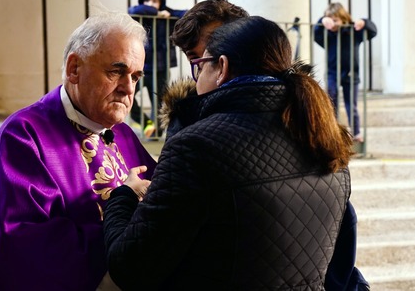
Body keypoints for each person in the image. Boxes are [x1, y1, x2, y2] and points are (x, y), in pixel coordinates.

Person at [103, 15, 356, 290]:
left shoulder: (195, 146)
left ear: (221, 67)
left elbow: (130, 267)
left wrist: (123, 195)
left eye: (199, 65)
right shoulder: (323, 135)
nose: (196, 77)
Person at [168, 0, 369, 290]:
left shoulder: (305, 113)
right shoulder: (189, 124)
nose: (204, 67)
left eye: (213, 49)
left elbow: (339, 230)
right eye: (194, 59)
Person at [0, 11, 157, 291]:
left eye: (136, 76)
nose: (129, 89)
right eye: (116, 71)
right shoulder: (24, 136)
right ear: (74, 69)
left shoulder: (125, 135)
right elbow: (26, 243)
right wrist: (129, 232)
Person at [127, 0, 187, 138]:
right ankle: (146, 123)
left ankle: (154, 134)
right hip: (142, 67)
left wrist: (167, 13)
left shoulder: (167, 14)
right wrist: (155, 12)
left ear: (162, 1)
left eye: (155, 0)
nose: (151, 3)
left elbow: (187, 13)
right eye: (147, 0)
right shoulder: (141, 14)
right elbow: (131, 9)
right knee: (129, 97)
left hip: (160, 67)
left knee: (159, 105)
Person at [314, 2, 377, 143]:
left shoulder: (352, 31)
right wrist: (321, 21)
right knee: (331, 102)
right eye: (330, 19)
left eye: (336, 20)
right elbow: (315, 34)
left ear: (343, 18)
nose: (333, 24)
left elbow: (372, 31)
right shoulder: (327, 34)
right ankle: (333, 131)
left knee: (351, 105)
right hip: (332, 73)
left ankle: (356, 133)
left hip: (351, 74)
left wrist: (364, 22)